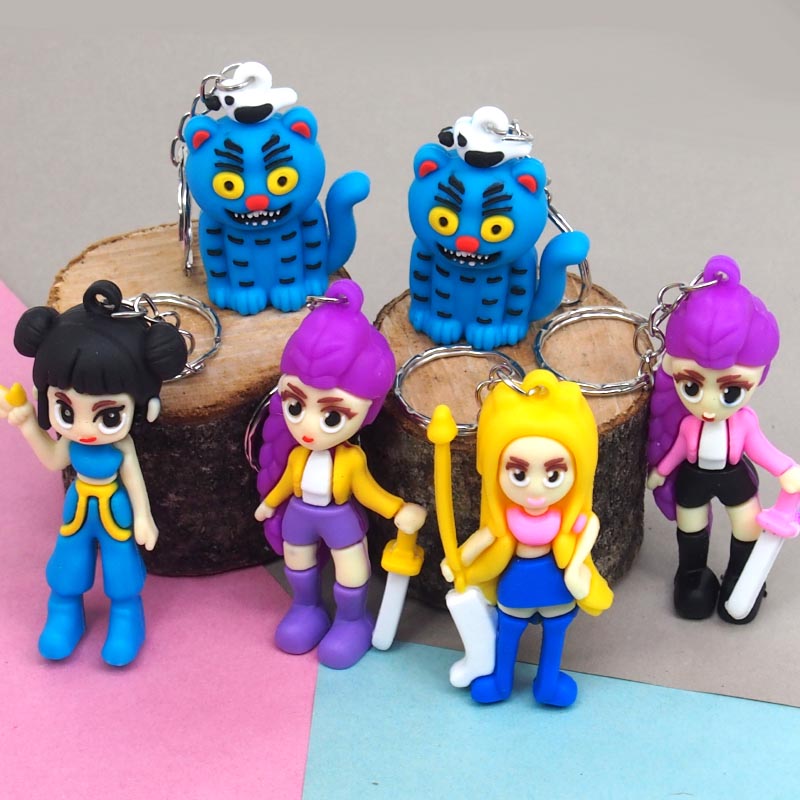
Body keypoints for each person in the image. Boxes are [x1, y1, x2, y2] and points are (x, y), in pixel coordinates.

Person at [0, 280, 187, 665]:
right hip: (78, 509)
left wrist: (144, 518)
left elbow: (134, 481)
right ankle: (64, 611)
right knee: (68, 560)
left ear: (143, 406)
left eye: (108, 415)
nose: (84, 428)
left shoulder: (121, 446)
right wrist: (28, 425)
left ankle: (127, 618)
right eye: (66, 410)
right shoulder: (72, 444)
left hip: (115, 513)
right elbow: (53, 460)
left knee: (121, 565)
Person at [255, 279, 425, 669]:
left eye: (332, 415)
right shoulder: (297, 455)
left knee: (351, 569)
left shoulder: (350, 460)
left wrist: (398, 510)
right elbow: (285, 482)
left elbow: (368, 492)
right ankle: (306, 608)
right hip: (299, 516)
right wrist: (269, 504)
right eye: (295, 406)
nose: (307, 427)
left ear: (368, 411)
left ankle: (352, 620)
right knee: (298, 562)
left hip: (339, 519)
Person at [430, 368, 612, 706]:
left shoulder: (568, 520)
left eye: (554, 474)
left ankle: (548, 683)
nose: (536, 490)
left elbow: (591, 527)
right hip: (516, 586)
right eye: (518, 473)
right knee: (508, 634)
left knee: (554, 636)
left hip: (556, 586)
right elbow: (484, 538)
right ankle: (501, 681)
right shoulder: (505, 521)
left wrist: (576, 566)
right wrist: (457, 561)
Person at [647, 255, 800, 623]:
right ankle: (691, 578)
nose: (709, 405)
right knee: (690, 527)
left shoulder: (744, 424)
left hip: (735, 480)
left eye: (730, 392)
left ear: (760, 377)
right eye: (692, 387)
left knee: (747, 525)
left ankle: (741, 577)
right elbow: (677, 451)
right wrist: (661, 472)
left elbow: (762, 450)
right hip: (693, 481)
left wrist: (786, 469)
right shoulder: (687, 426)